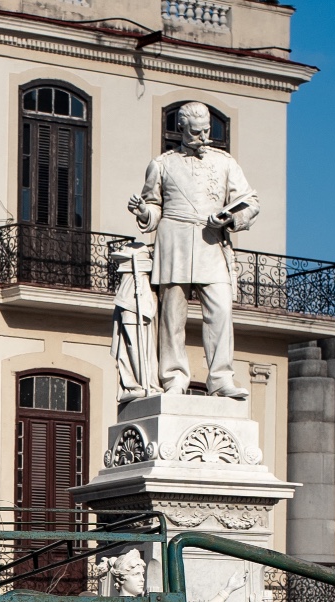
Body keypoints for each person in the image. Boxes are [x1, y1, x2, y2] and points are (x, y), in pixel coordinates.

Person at [126, 101, 259, 399]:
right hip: (174, 240)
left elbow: (250, 201)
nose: (203, 137)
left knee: (221, 310)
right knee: (172, 315)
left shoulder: (225, 162)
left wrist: (232, 218)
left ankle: (221, 378)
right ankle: (174, 377)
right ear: (181, 129)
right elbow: (154, 206)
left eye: (207, 131)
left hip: (212, 240)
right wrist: (144, 212)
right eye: (196, 132)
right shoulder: (161, 164)